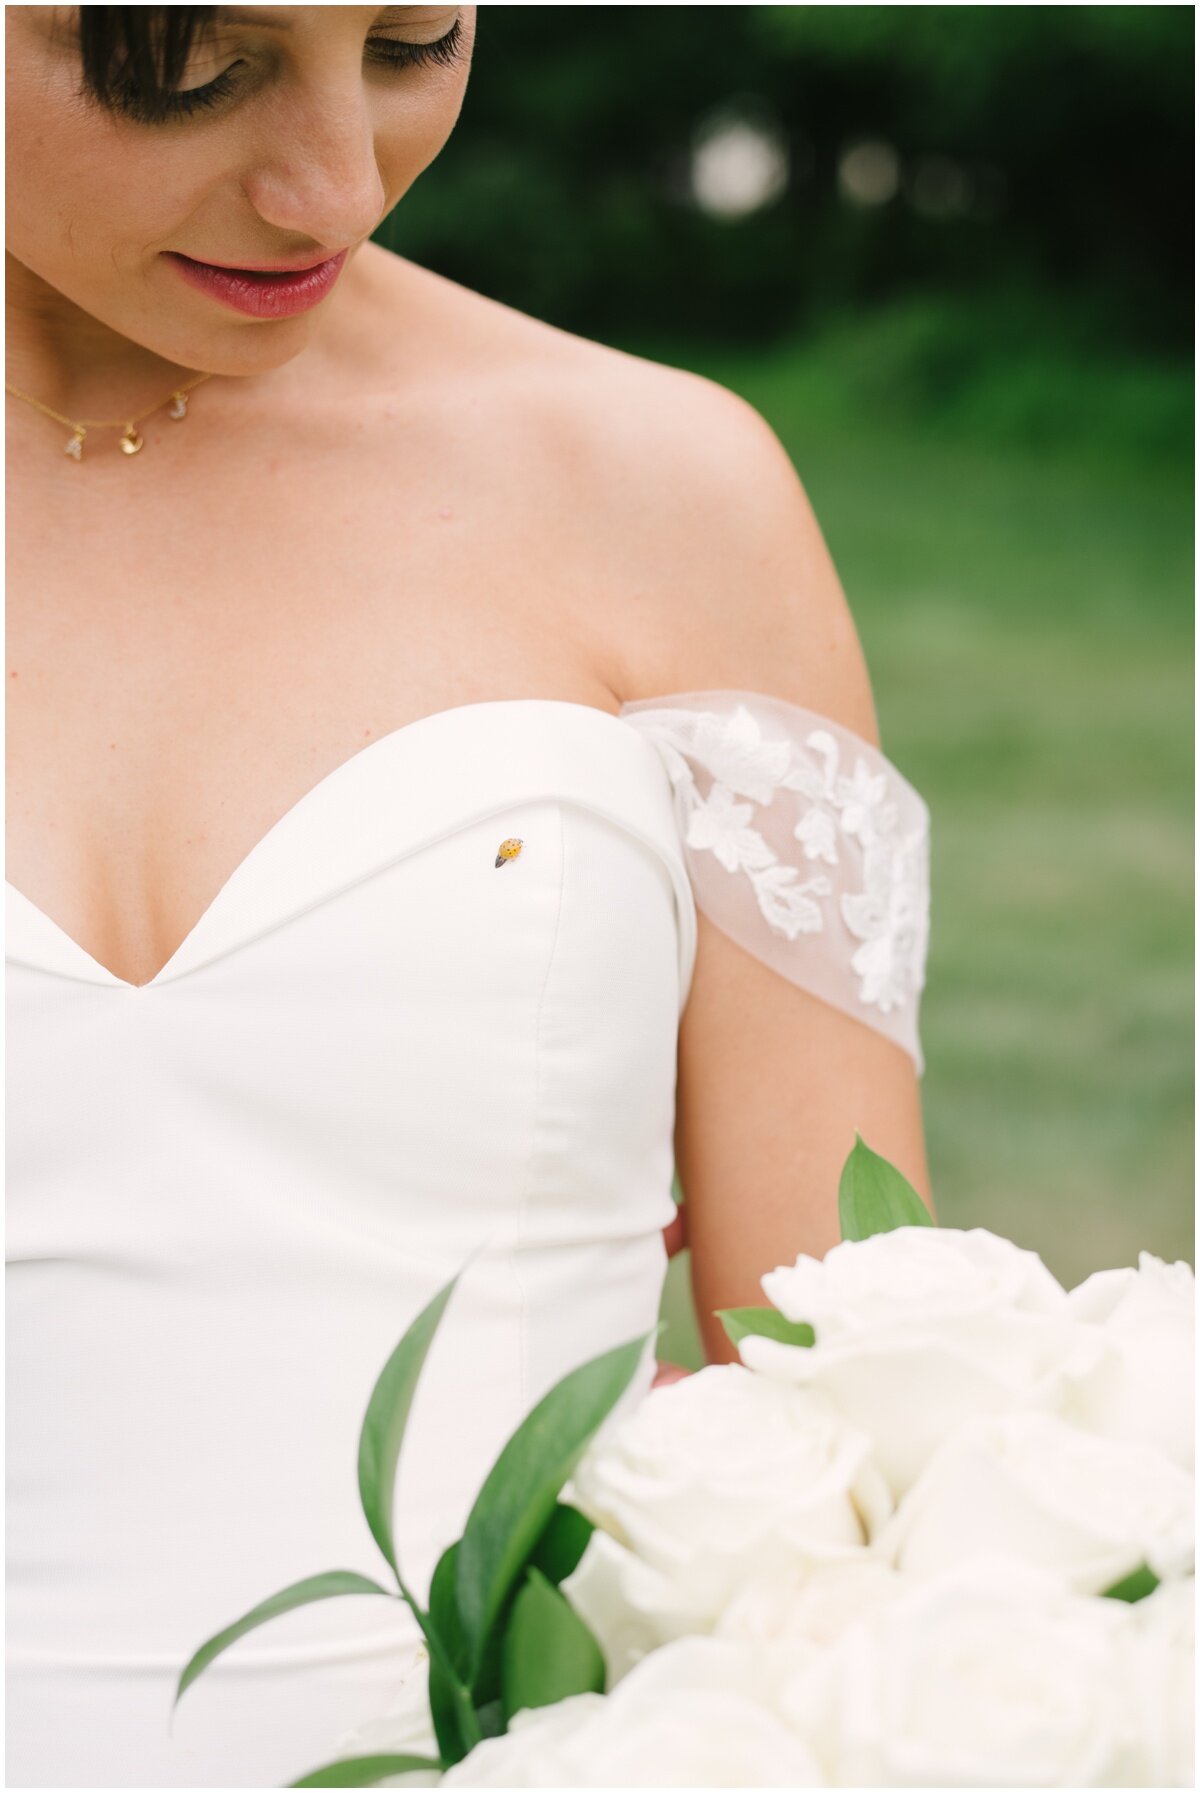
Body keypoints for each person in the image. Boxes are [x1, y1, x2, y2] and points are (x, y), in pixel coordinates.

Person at [5, 6, 935, 1785]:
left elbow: (847, 1404)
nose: (334, 186)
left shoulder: (667, 495)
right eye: (184, 70)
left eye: (415, 40)